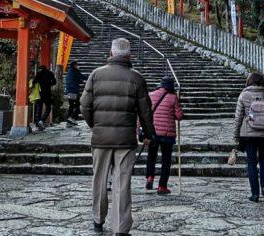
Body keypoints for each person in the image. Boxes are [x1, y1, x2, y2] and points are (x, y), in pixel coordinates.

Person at [81, 38, 155, 236]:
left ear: (111, 53)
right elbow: (145, 112)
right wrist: (148, 134)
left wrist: (95, 125)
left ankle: (98, 219)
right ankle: (121, 227)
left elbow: (84, 106)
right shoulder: (136, 78)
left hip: (100, 138)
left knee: (99, 179)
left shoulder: (96, 75)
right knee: (122, 183)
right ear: (130, 55)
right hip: (125, 139)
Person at [233, 72, 264, 202]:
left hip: (249, 134)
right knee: (263, 160)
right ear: (261, 82)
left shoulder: (244, 95)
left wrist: (236, 135)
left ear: (249, 82)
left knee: (251, 163)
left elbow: (238, 117)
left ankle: (255, 193)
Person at [145, 75, 183, 195]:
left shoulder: (151, 95)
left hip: (153, 132)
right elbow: (179, 116)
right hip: (167, 134)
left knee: (151, 156)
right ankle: (162, 186)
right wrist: (178, 101)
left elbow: (144, 113)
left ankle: (150, 177)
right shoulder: (173, 98)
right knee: (166, 160)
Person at [31, 64, 57, 131]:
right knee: (48, 108)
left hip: (39, 94)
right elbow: (54, 82)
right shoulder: (50, 73)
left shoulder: (38, 74)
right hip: (47, 93)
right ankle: (42, 120)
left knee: (38, 109)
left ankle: (38, 123)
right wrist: (49, 83)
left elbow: (33, 82)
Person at [65, 61, 87, 126]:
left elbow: (76, 79)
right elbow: (81, 76)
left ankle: (69, 120)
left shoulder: (69, 72)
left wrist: (82, 82)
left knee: (71, 106)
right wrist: (90, 77)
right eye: (77, 65)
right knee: (78, 105)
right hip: (74, 90)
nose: (77, 66)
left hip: (69, 91)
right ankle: (72, 117)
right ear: (74, 65)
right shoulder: (75, 71)